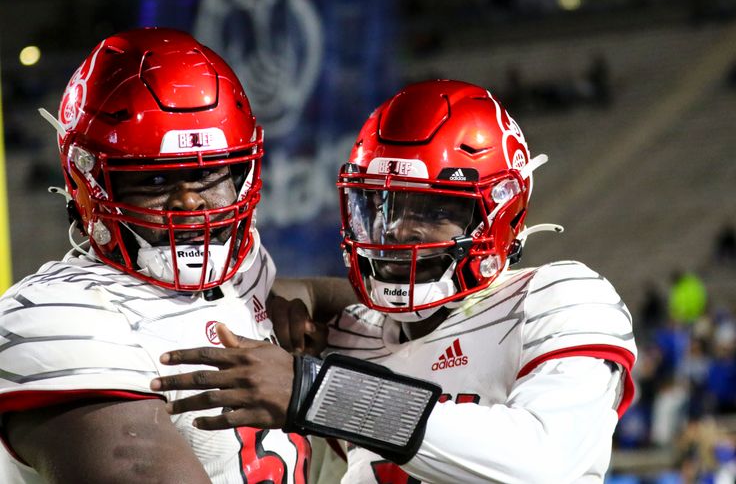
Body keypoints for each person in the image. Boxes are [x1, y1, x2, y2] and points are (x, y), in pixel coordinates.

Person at [152, 79, 638, 483]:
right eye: (384, 206)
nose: (401, 229)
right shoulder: (349, 336)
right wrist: (297, 297)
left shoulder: (560, 299)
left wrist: (318, 394)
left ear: (499, 213)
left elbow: (544, 463)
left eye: (435, 209)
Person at [0, 28, 353, 484]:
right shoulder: (55, 321)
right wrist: (316, 394)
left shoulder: (245, 275)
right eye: (153, 181)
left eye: (207, 174)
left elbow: (294, 295)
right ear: (90, 186)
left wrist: (303, 311)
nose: (189, 202)